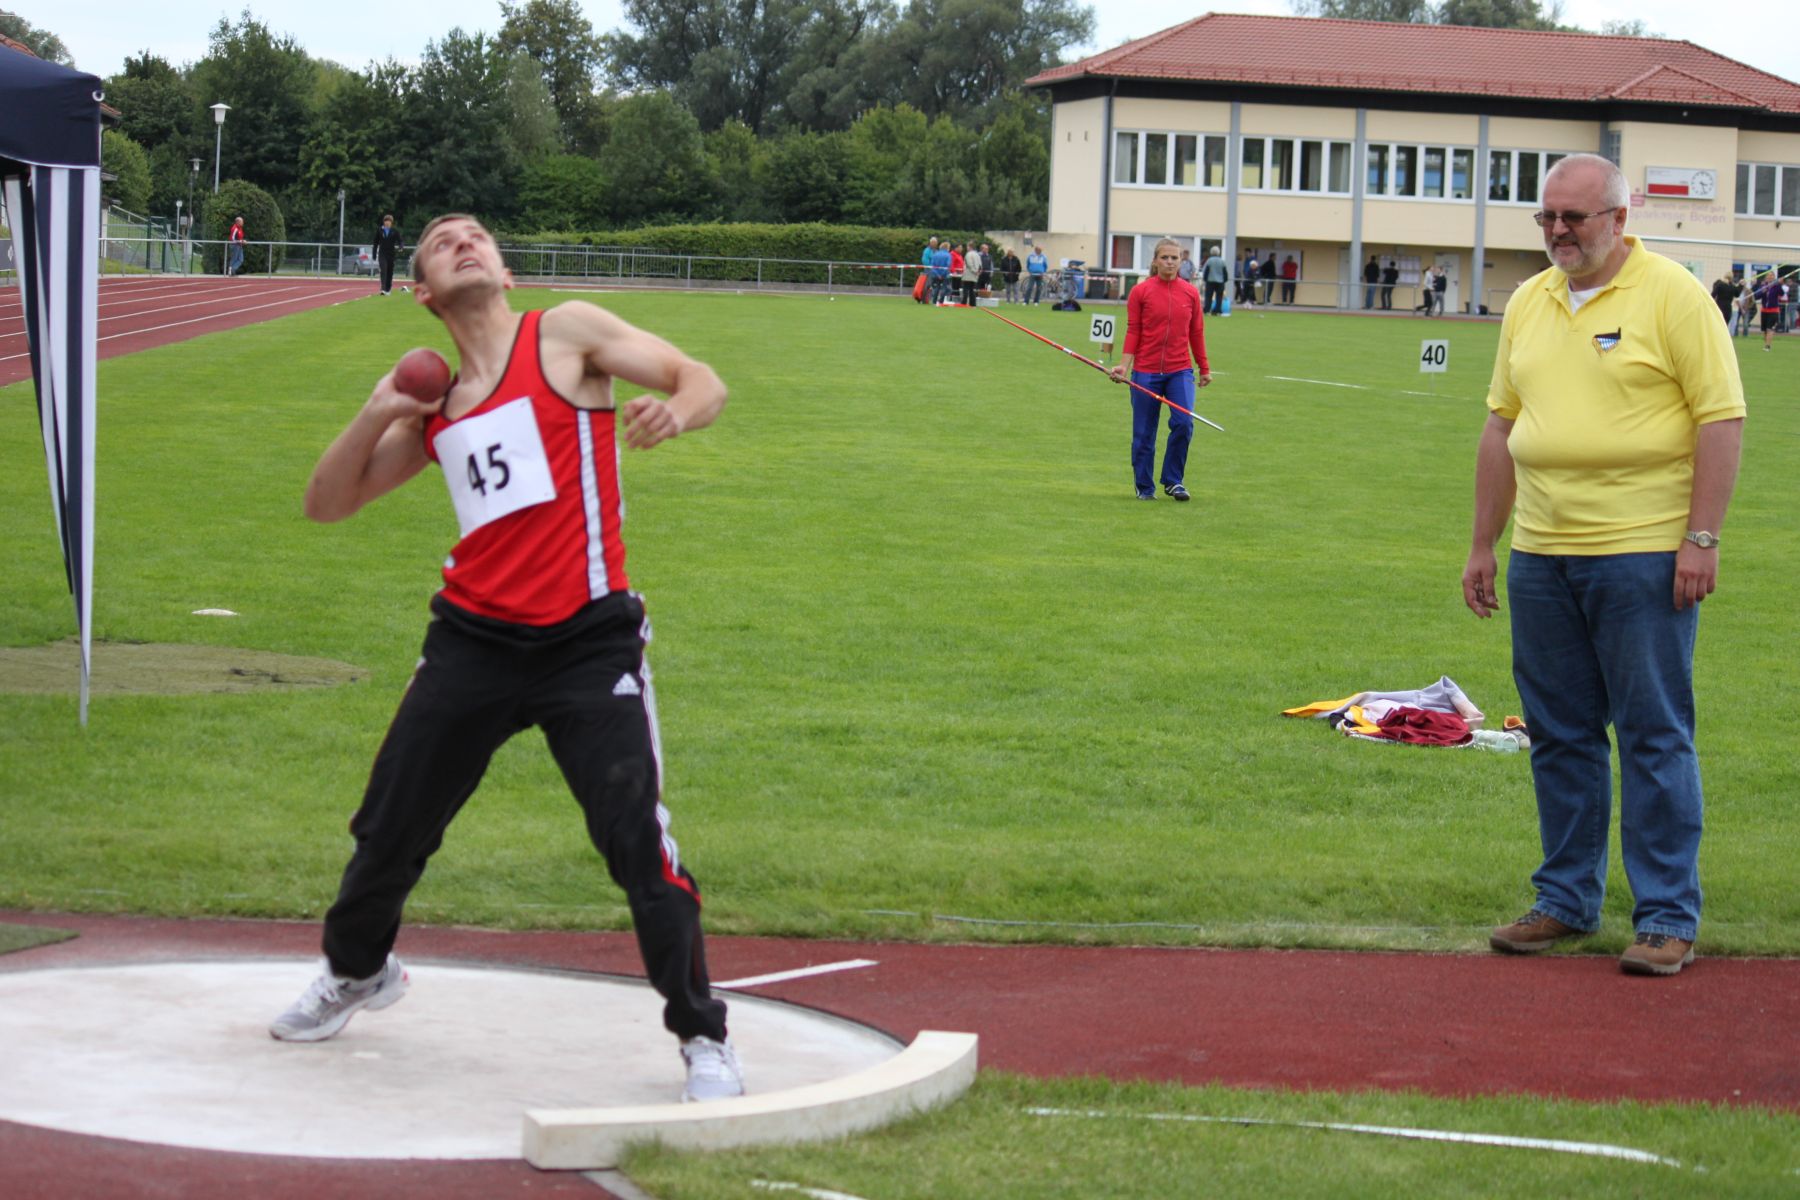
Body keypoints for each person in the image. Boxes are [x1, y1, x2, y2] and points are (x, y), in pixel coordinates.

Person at [271, 213, 744, 1101]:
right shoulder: (437, 406)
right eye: (442, 240)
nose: (464, 240)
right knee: (388, 827)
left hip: (587, 640)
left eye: (477, 235)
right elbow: (326, 503)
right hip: (473, 642)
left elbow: (702, 378)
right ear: (421, 291)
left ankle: (703, 1038)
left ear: (506, 269)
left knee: (636, 841)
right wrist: (378, 409)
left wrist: (676, 412)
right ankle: (358, 972)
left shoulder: (565, 336)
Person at [1463, 154, 1745, 979]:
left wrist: (1700, 539)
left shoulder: (1674, 296)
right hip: (1541, 554)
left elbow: (1721, 420)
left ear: (1619, 219)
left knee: (1653, 735)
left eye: (1574, 218)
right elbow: (1501, 426)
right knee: (1559, 734)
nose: (1558, 232)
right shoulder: (1530, 300)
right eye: (1546, 218)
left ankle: (1666, 916)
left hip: (1642, 554)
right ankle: (1566, 899)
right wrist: (1484, 543)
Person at [1109, 238, 1211, 502]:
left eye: (1174, 258)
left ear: (1181, 261)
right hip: (1146, 371)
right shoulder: (1140, 292)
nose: (1169, 262)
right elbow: (1134, 330)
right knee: (1144, 433)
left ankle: (1174, 481)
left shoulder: (1190, 293)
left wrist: (1204, 367)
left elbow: (1196, 332)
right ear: (1155, 261)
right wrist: (1123, 366)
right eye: (1164, 257)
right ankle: (1144, 487)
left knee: (1184, 423)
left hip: (1180, 370)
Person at [373, 214, 404, 296]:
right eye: (386, 221)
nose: (387, 223)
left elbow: (400, 240)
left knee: (389, 272)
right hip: (382, 254)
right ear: (384, 222)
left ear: (391, 223)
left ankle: (388, 288)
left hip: (391, 254)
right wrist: (374, 254)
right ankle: (383, 289)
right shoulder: (380, 230)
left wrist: (401, 247)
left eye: (389, 221)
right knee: (383, 270)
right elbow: (375, 243)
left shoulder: (395, 231)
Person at [1200, 245, 1230, 316]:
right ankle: (1217, 310)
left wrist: (1205, 279)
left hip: (1210, 281)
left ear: (1211, 252)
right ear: (1218, 252)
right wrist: (1225, 280)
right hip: (1220, 282)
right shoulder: (1222, 261)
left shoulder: (1209, 260)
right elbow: (1225, 272)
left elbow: (1206, 271)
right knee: (1219, 297)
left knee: (1208, 296)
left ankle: (1207, 310)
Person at [1757, 272, 1782, 350]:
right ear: (1766, 277)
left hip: (1773, 310)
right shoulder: (1763, 286)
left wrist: (1779, 284)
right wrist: (1763, 291)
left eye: (1772, 276)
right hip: (1764, 310)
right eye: (1768, 275)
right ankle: (1766, 344)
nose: (1770, 277)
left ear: (1774, 277)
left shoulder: (1776, 286)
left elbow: (1781, 293)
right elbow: (1757, 296)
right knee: (1764, 330)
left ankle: (1767, 346)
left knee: (1769, 328)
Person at [930, 239, 953, 304]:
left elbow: (932, 266)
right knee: (944, 288)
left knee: (936, 287)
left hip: (936, 274)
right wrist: (943, 274)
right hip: (945, 274)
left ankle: (934, 301)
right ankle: (941, 301)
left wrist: (937, 274)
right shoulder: (948, 255)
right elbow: (948, 265)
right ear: (947, 247)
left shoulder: (935, 254)